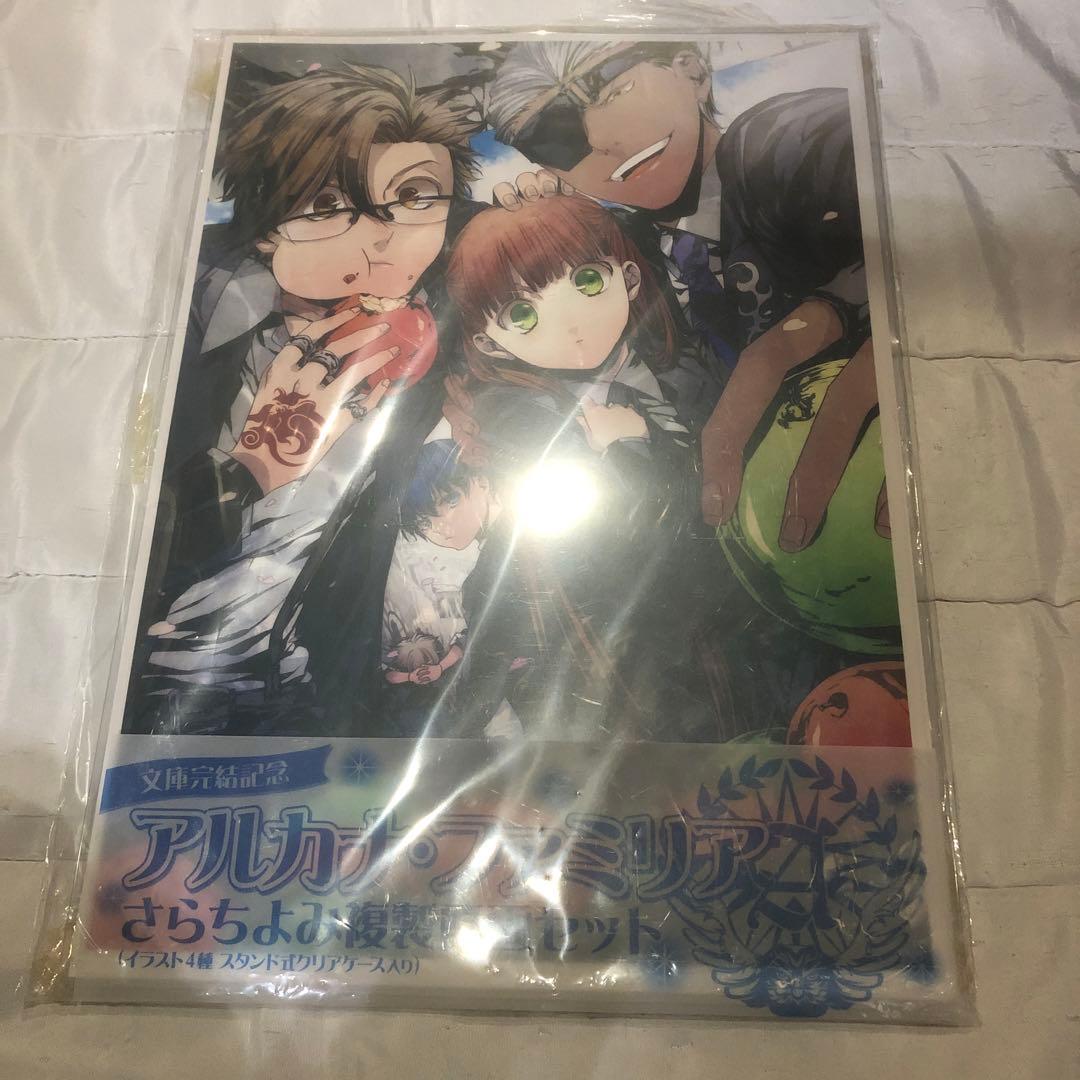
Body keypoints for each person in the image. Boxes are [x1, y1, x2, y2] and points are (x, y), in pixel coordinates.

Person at [124, 64, 486, 734]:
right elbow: (106, 549)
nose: (383, 236)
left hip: (303, 686)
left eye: (414, 198)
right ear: (266, 228)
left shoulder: (425, 344)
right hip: (152, 691)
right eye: (326, 207)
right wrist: (251, 471)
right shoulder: (189, 331)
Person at [485, 40, 885, 552]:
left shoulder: (780, 142)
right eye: (558, 141)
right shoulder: (631, 253)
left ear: (692, 72)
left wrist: (850, 309)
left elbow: (870, 161)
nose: (602, 140)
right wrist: (543, 233)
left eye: (615, 93)